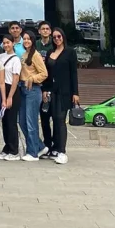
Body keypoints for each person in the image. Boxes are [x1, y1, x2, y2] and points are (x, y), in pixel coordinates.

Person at [45, 26, 79, 165]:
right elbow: (47, 74)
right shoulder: (50, 52)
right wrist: (45, 90)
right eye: (54, 37)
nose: (57, 39)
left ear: (63, 37)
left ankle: (62, 151)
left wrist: (75, 93)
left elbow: (73, 73)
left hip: (65, 91)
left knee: (60, 119)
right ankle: (55, 148)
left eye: (59, 36)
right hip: (52, 90)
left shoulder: (70, 52)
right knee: (54, 119)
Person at [19, 28, 48, 161]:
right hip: (23, 89)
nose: (26, 41)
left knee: (31, 122)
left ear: (32, 40)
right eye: (24, 39)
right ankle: (40, 146)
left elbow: (44, 73)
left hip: (33, 90)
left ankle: (33, 153)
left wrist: (32, 79)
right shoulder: (25, 54)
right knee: (22, 122)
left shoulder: (35, 55)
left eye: (28, 39)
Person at [0, 35, 22, 160]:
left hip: (12, 90)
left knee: (11, 122)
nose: (6, 45)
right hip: (2, 89)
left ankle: (14, 151)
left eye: (8, 42)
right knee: (4, 121)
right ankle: (6, 147)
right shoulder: (0, 57)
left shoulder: (16, 59)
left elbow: (15, 79)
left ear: (13, 43)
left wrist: (10, 97)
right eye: (4, 43)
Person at [35, 21, 53, 155]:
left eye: (47, 29)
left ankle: (56, 146)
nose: (45, 31)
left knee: (57, 119)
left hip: (52, 84)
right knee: (44, 119)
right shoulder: (36, 45)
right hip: (39, 85)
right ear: (39, 31)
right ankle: (46, 145)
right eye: (43, 29)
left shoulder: (55, 45)